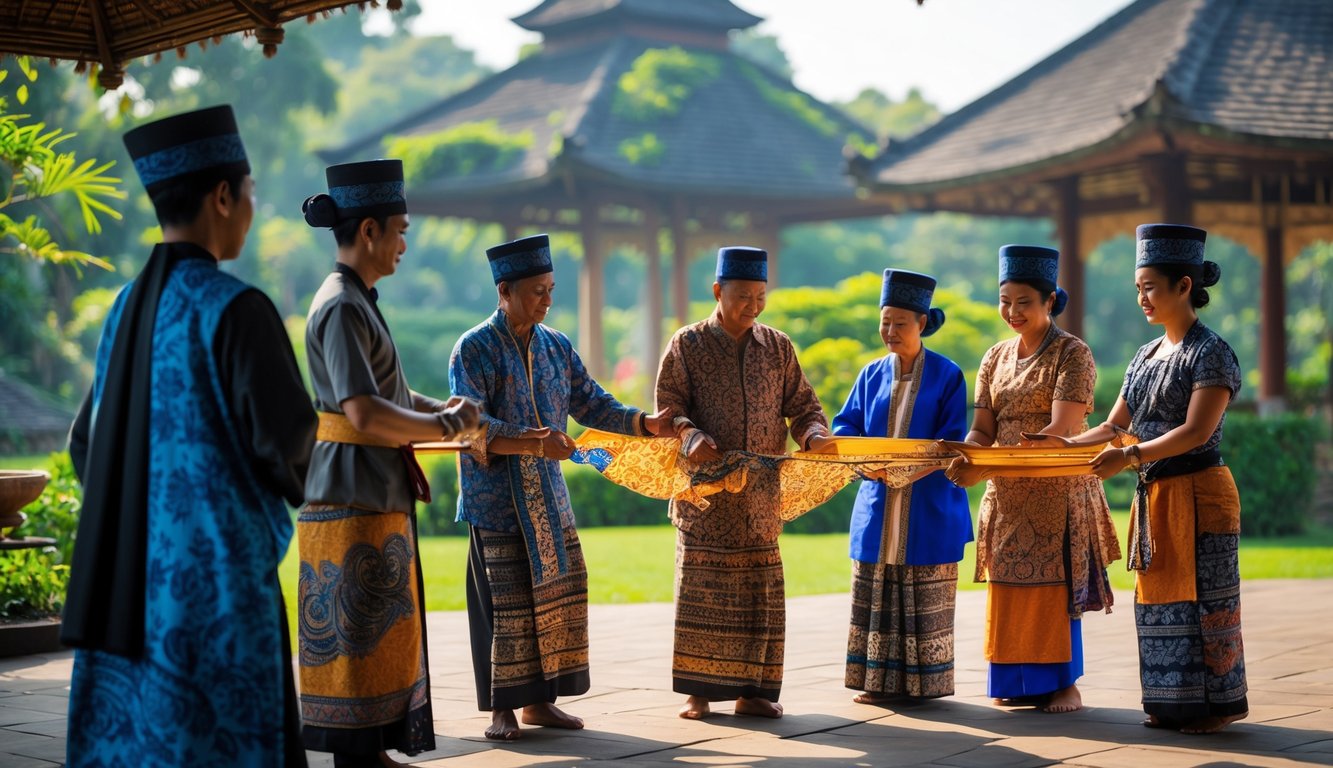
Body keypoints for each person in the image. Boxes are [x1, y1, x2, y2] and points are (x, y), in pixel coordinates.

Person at [63, 105, 316, 766]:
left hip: (132, 583)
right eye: (251, 192)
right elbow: (287, 442)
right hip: (219, 586)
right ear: (223, 196)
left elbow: (85, 442)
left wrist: (140, 524)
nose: (252, 207)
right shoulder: (236, 307)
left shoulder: (124, 307)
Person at [448, 233, 672, 741]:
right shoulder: (473, 347)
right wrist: (531, 440)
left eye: (551, 289)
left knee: (555, 597)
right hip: (495, 503)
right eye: (536, 291)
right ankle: (502, 710)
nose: (547, 300)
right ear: (503, 291)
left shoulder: (556, 345)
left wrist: (645, 423)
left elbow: (591, 402)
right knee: (505, 607)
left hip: (548, 498)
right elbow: (470, 426)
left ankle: (540, 703)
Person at [297, 159, 481, 767]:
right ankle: (359, 755)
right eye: (400, 229)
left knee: (378, 629)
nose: (405, 243)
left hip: (370, 487)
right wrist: (441, 427)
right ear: (369, 231)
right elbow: (364, 411)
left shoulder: (356, 301)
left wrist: (446, 410)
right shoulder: (343, 305)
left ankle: (371, 750)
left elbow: (390, 397)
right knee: (357, 632)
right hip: (351, 489)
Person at [1030, 224, 1248, 734]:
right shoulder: (1145, 355)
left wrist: (1128, 460)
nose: (1142, 298)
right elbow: (1113, 425)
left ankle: (1211, 708)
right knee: (1158, 599)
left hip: (1201, 492)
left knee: (1205, 602)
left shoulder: (1211, 353)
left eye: (1150, 286)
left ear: (1184, 286)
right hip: (1158, 496)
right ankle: (1170, 701)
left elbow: (1196, 431)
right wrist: (1067, 444)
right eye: (1138, 288)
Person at [655, 246, 832, 721]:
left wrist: (814, 434)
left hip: (759, 501)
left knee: (760, 603)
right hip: (706, 501)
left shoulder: (777, 346)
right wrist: (689, 435)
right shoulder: (686, 344)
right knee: (702, 594)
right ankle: (699, 693)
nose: (753, 305)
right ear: (717, 291)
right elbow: (668, 409)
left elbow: (805, 407)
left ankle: (753, 691)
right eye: (743, 296)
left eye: (760, 296)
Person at [945, 244, 1120, 714]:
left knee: (1053, 588)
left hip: (1056, 488)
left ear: (1049, 301)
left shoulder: (1072, 353)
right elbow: (982, 427)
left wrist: (995, 461)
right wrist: (968, 456)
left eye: (1024, 301)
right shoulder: (993, 356)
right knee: (1007, 584)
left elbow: (1062, 428)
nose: (1012, 311)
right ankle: (1015, 681)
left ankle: (1065, 684)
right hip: (1005, 492)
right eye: (1005, 300)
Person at [831, 269, 972, 703]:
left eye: (900, 323)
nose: (890, 331)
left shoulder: (948, 375)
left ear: (923, 323)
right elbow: (844, 425)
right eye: (885, 321)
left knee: (921, 595)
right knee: (877, 594)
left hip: (929, 504)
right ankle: (875, 683)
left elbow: (951, 440)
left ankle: (923, 685)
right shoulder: (870, 373)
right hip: (877, 503)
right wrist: (868, 462)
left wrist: (907, 469)